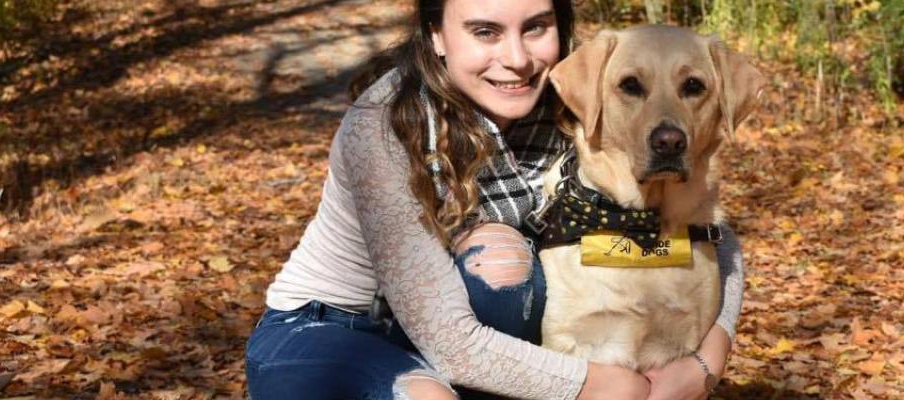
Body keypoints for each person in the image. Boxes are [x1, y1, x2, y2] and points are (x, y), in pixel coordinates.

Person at [242, 0, 746, 399]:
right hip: (334, 328)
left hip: (466, 325)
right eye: (485, 31)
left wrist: (710, 357)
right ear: (436, 34)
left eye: (535, 27)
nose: (516, 58)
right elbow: (452, 343)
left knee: (504, 262)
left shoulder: (577, 96)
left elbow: (705, 226)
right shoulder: (385, 125)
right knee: (497, 257)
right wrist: (602, 384)